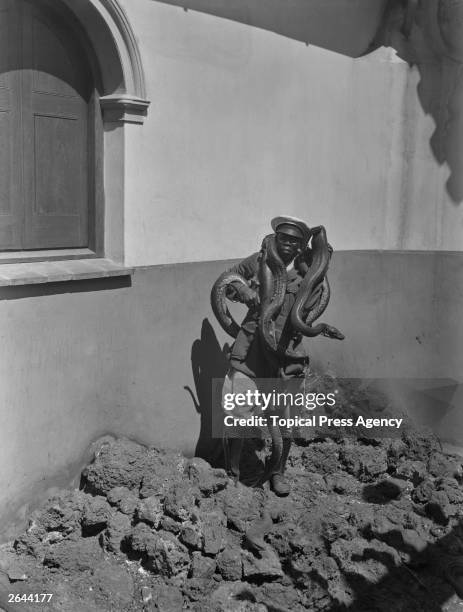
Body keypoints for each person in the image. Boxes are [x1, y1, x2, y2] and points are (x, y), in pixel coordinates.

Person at [220, 215, 315, 496]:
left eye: (294, 241)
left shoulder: (307, 272)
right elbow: (228, 280)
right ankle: (232, 473)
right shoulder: (259, 261)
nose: (287, 244)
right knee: (237, 413)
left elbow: (313, 303)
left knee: (284, 420)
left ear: (301, 246)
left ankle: (277, 472)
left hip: (286, 354)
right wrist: (244, 290)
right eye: (283, 238)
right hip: (250, 350)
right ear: (276, 238)